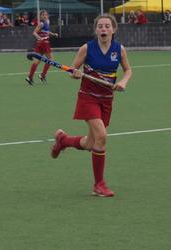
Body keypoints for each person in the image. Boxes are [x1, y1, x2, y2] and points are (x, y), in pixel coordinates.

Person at [49, 14, 132, 197]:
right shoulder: (87, 48)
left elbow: (127, 70)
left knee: (91, 143)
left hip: (106, 99)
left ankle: (63, 141)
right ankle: (99, 185)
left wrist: (124, 82)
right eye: (100, 26)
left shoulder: (119, 50)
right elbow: (73, 69)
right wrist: (75, 73)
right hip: (88, 98)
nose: (103, 29)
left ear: (113, 29)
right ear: (96, 30)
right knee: (102, 136)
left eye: (107, 26)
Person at [25, 10, 58, 85]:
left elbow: (47, 32)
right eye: (43, 15)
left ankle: (30, 77)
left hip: (40, 44)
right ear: (40, 16)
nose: (45, 16)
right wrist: (38, 37)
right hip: (44, 43)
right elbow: (34, 32)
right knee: (51, 60)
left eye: (46, 15)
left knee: (37, 61)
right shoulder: (41, 24)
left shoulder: (47, 23)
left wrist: (53, 34)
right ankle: (42, 75)